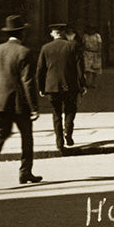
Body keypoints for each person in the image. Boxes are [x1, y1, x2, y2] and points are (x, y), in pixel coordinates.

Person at [0, 15, 41, 189]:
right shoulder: (24, 52)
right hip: (19, 104)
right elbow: (27, 81)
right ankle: (25, 172)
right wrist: (34, 107)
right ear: (22, 33)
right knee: (27, 138)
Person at [37, 22, 86, 153]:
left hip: (52, 86)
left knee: (56, 114)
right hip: (70, 85)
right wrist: (82, 84)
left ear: (52, 34)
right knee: (70, 110)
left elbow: (40, 70)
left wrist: (41, 87)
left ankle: (59, 142)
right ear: (63, 32)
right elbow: (80, 68)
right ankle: (68, 134)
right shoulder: (73, 46)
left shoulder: (45, 48)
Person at [81, 25, 103, 89]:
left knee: (95, 69)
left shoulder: (97, 36)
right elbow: (83, 44)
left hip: (95, 53)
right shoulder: (85, 36)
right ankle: (88, 82)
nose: (91, 31)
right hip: (87, 53)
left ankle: (94, 83)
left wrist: (99, 52)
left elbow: (99, 44)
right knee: (87, 69)